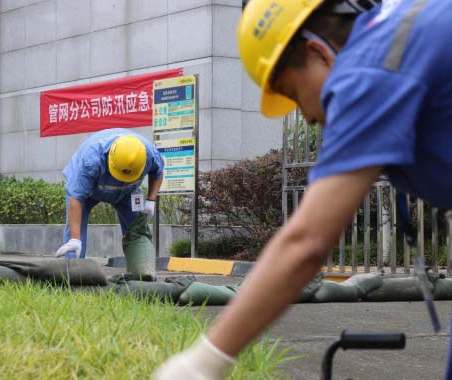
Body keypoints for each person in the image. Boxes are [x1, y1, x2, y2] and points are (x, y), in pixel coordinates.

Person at [153, 0, 452, 378]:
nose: (308, 118)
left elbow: (306, 243)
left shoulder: (368, 75)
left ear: (318, 52)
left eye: (294, 94)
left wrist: (204, 361)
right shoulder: (403, 33)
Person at [55, 128, 164, 259]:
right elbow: (77, 198)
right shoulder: (92, 158)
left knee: (137, 231)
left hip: (128, 193)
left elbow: (158, 173)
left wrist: (151, 200)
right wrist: (74, 239)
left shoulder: (150, 154)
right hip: (90, 190)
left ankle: (143, 274)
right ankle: (72, 273)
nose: (121, 180)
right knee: (75, 235)